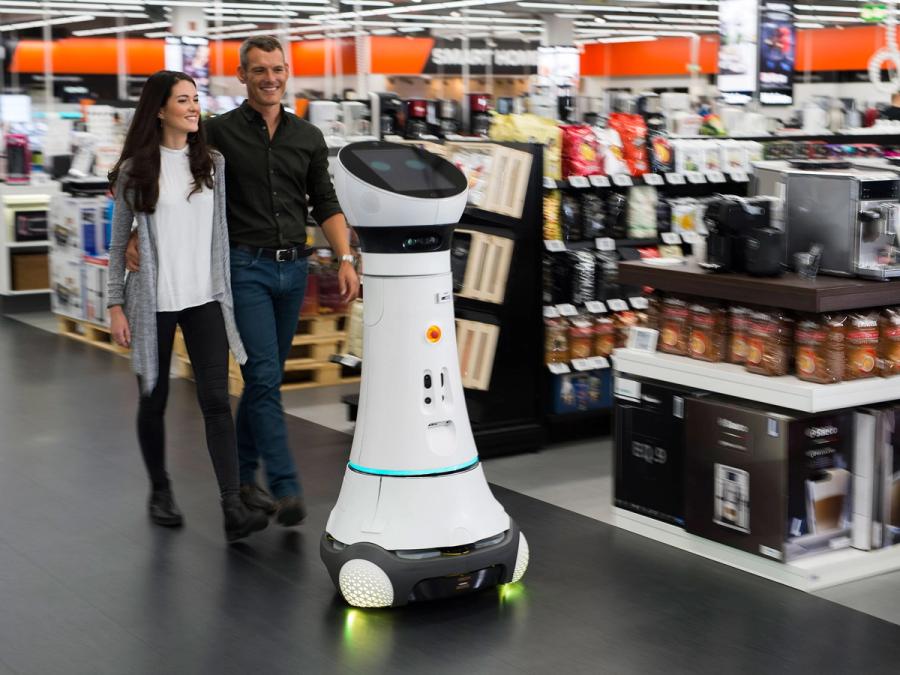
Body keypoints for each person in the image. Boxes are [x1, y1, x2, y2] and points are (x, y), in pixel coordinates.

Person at [126, 36, 360, 527]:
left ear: (287, 72)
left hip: (294, 270)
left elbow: (325, 202)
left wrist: (345, 256)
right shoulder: (216, 133)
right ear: (242, 75)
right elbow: (150, 161)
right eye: (259, 70)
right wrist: (133, 229)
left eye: (277, 69)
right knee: (262, 375)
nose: (270, 78)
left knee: (261, 380)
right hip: (242, 268)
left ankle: (245, 480)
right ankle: (286, 486)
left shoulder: (308, 138)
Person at [108, 70, 269, 543]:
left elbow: (220, 232)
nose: (194, 107)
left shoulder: (213, 163)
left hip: (205, 300)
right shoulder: (136, 170)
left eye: (196, 99)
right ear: (159, 110)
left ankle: (232, 507)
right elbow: (120, 244)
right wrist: (115, 304)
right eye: (184, 100)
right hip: (152, 303)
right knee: (153, 399)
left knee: (217, 402)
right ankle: (160, 489)